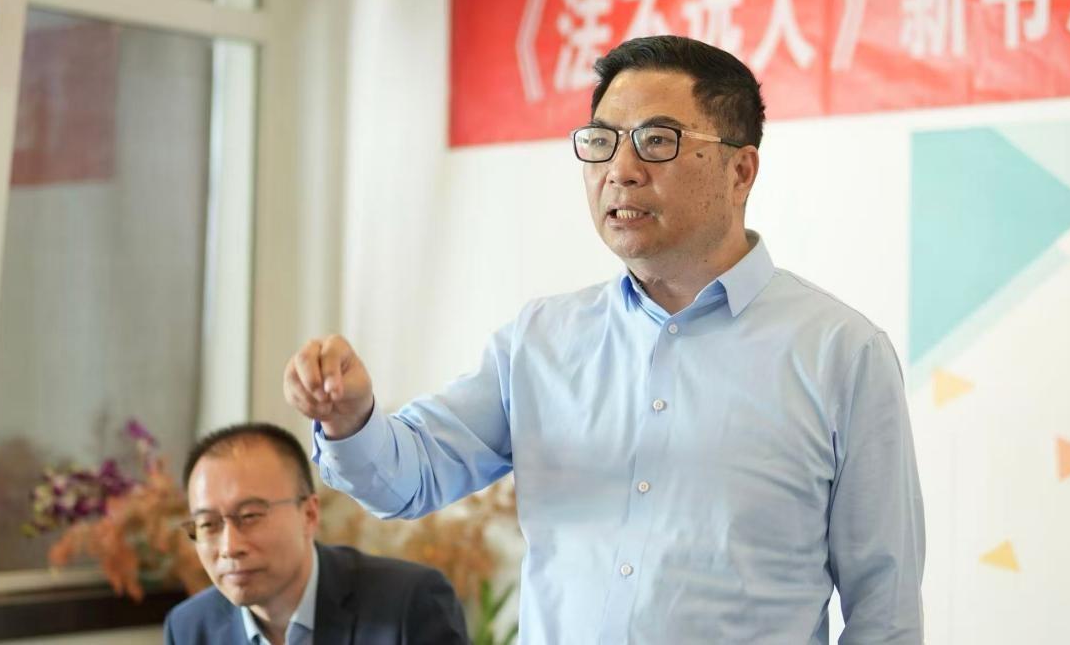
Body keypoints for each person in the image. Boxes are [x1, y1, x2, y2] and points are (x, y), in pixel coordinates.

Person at [285, 35, 924, 644]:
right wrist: (350, 419)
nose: (620, 171)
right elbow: (407, 479)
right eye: (601, 141)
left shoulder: (840, 353)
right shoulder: (542, 340)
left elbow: (885, 611)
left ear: (740, 171)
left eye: (657, 141)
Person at [163, 422, 468, 645]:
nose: (230, 547)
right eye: (208, 524)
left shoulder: (410, 603)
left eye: (250, 516)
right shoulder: (189, 628)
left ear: (309, 514)